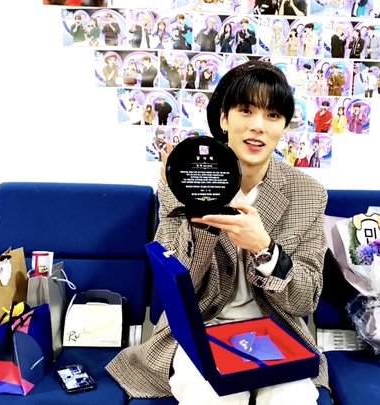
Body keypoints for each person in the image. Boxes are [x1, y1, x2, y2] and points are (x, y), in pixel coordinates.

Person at [106, 59, 329, 404]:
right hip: (201, 328)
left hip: (277, 330)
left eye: (272, 115)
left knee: (295, 398)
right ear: (224, 119)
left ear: (284, 126)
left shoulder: (308, 193)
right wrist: (198, 209)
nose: (258, 126)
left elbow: (305, 299)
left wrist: (266, 250)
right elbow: (178, 286)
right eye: (246, 111)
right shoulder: (186, 181)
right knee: (209, 396)